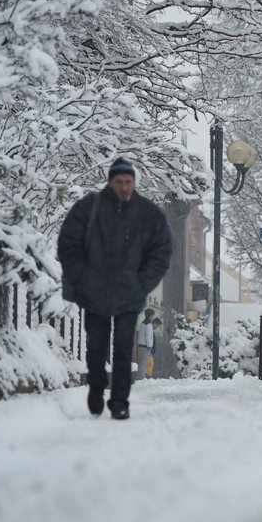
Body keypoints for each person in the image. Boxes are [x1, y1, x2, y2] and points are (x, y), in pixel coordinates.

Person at [57, 158, 172, 420]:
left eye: (128, 181)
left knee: (123, 348)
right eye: (119, 181)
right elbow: (68, 243)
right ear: (110, 181)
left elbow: (162, 251)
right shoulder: (89, 208)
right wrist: (82, 277)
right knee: (96, 346)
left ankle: (120, 400)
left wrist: (142, 282)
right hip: (94, 290)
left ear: (134, 182)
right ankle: (96, 387)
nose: (124, 186)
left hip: (129, 293)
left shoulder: (146, 213)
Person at [136, 309, 155, 380]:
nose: (153, 317)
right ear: (150, 315)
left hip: (141, 345)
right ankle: (141, 377)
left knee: (141, 361)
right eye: (152, 315)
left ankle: (140, 376)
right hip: (145, 346)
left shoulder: (143, 322)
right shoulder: (148, 324)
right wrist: (150, 346)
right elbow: (148, 335)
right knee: (143, 362)